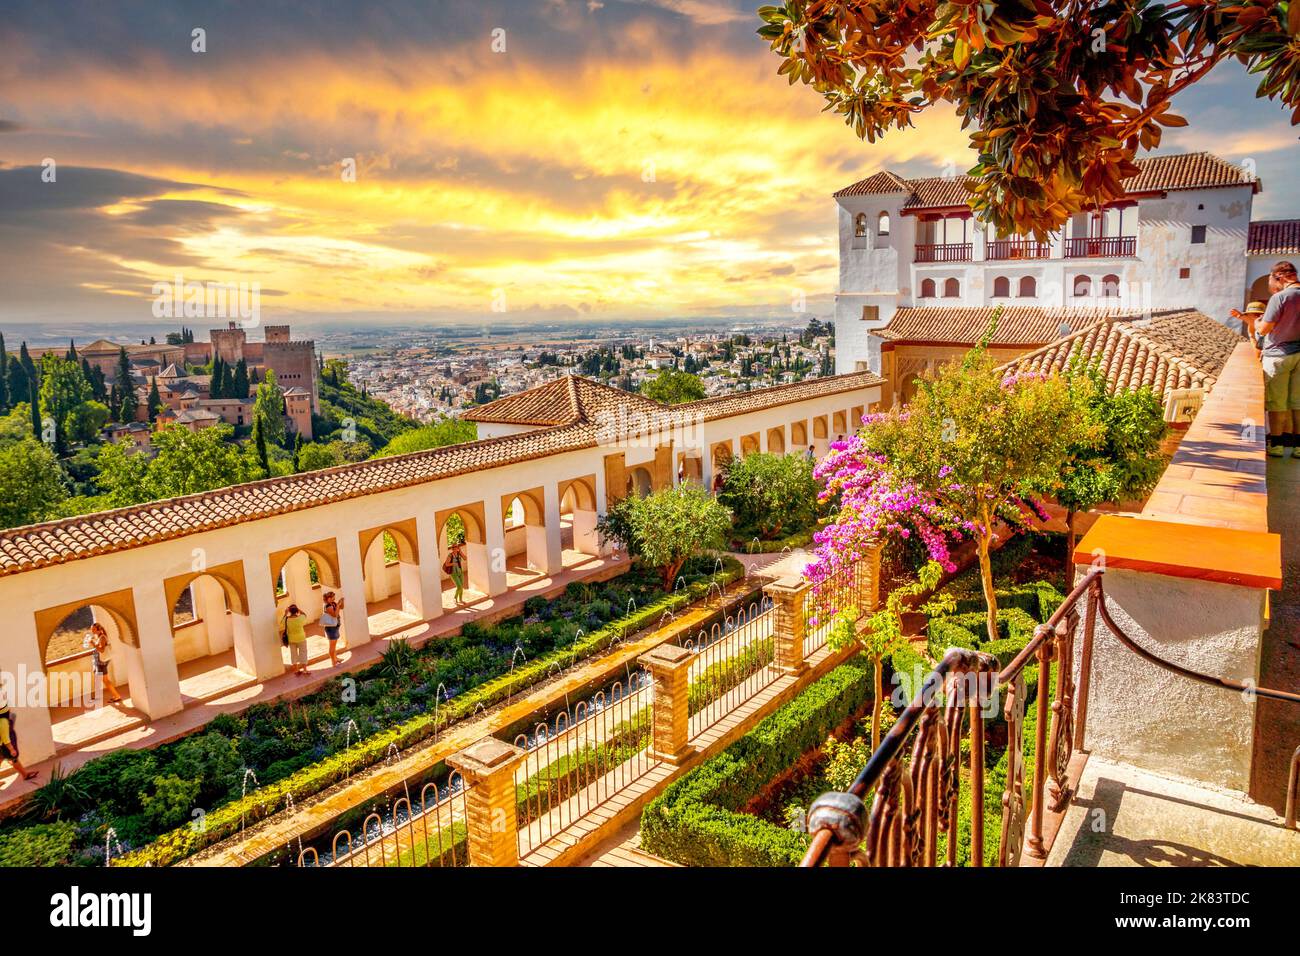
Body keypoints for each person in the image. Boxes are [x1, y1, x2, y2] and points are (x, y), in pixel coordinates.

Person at [1252, 261, 1300, 457]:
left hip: (1279, 355)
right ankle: (1298, 447)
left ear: (1280, 277)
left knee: (1277, 402)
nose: (1272, 284)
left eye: (1272, 280)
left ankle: (1277, 445)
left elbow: (1264, 329)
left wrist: (1255, 323)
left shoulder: (1280, 298)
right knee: (1298, 402)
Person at [82, 622, 124, 704]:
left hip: (101, 662)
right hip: (98, 662)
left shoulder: (102, 638)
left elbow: (102, 650)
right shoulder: (98, 637)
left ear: (99, 630)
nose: (92, 631)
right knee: (99, 677)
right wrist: (93, 642)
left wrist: (93, 644)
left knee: (105, 680)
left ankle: (117, 696)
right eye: (91, 629)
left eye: (94, 629)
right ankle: (99, 696)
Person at [0, 701, 37, 781]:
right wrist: (11, 749)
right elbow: (5, 739)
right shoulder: (3, 722)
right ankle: (25, 775)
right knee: (13, 758)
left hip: (4, 744)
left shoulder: (6, 719)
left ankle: (25, 774)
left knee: (2, 759)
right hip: (6, 745)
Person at [281, 604, 310, 675]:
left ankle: (296, 670)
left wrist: (285, 613)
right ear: (297, 611)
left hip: (291, 639)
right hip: (301, 638)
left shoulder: (286, 620)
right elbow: (304, 614)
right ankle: (305, 670)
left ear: (289, 611)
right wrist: (298, 609)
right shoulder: (301, 618)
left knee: (293, 654)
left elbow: (282, 622)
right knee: (303, 653)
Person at [320, 591, 344, 666]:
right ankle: (333, 662)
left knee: (334, 645)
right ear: (328, 598)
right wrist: (338, 605)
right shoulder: (327, 606)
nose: (334, 598)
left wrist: (341, 603)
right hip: (331, 628)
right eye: (333, 597)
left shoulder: (333, 604)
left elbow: (341, 607)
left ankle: (336, 658)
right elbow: (335, 615)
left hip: (335, 626)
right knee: (332, 646)